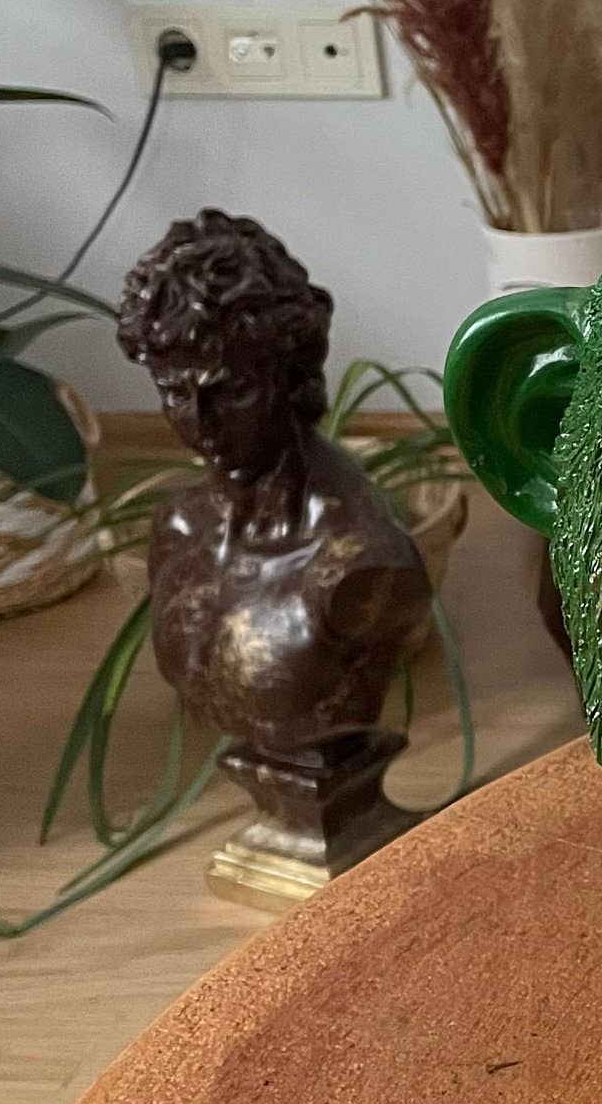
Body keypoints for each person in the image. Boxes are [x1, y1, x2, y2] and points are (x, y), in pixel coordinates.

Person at [117, 210, 431, 757]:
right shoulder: (178, 527)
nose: (201, 422)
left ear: (290, 376)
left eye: (232, 390)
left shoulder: (360, 559)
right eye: (174, 392)